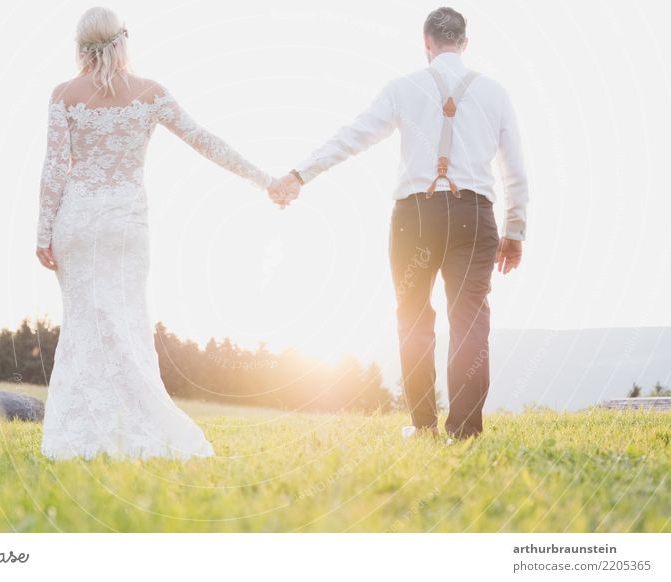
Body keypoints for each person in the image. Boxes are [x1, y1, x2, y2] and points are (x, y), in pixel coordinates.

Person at [269, 7, 529, 441]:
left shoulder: (402, 89)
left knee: (413, 318)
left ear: (426, 44)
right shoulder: (496, 93)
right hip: (474, 216)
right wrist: (515, 231)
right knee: (469, 320)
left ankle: (424, 424)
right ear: (465, 43)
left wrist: (301, 174)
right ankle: (464, 431)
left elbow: (354, 135)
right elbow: (515, 171)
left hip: (415, 218)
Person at [35, 6, 276, 461]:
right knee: (125, 323)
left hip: (77, 222)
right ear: (123, 40)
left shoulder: (63, 95)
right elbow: (206, 141)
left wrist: (43, 230)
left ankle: (78, 432)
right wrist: (262, 179)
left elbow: (53, 169)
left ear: (79, 46)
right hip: (125, 224)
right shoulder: (150, 93)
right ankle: (139, 423)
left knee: (85, 326)